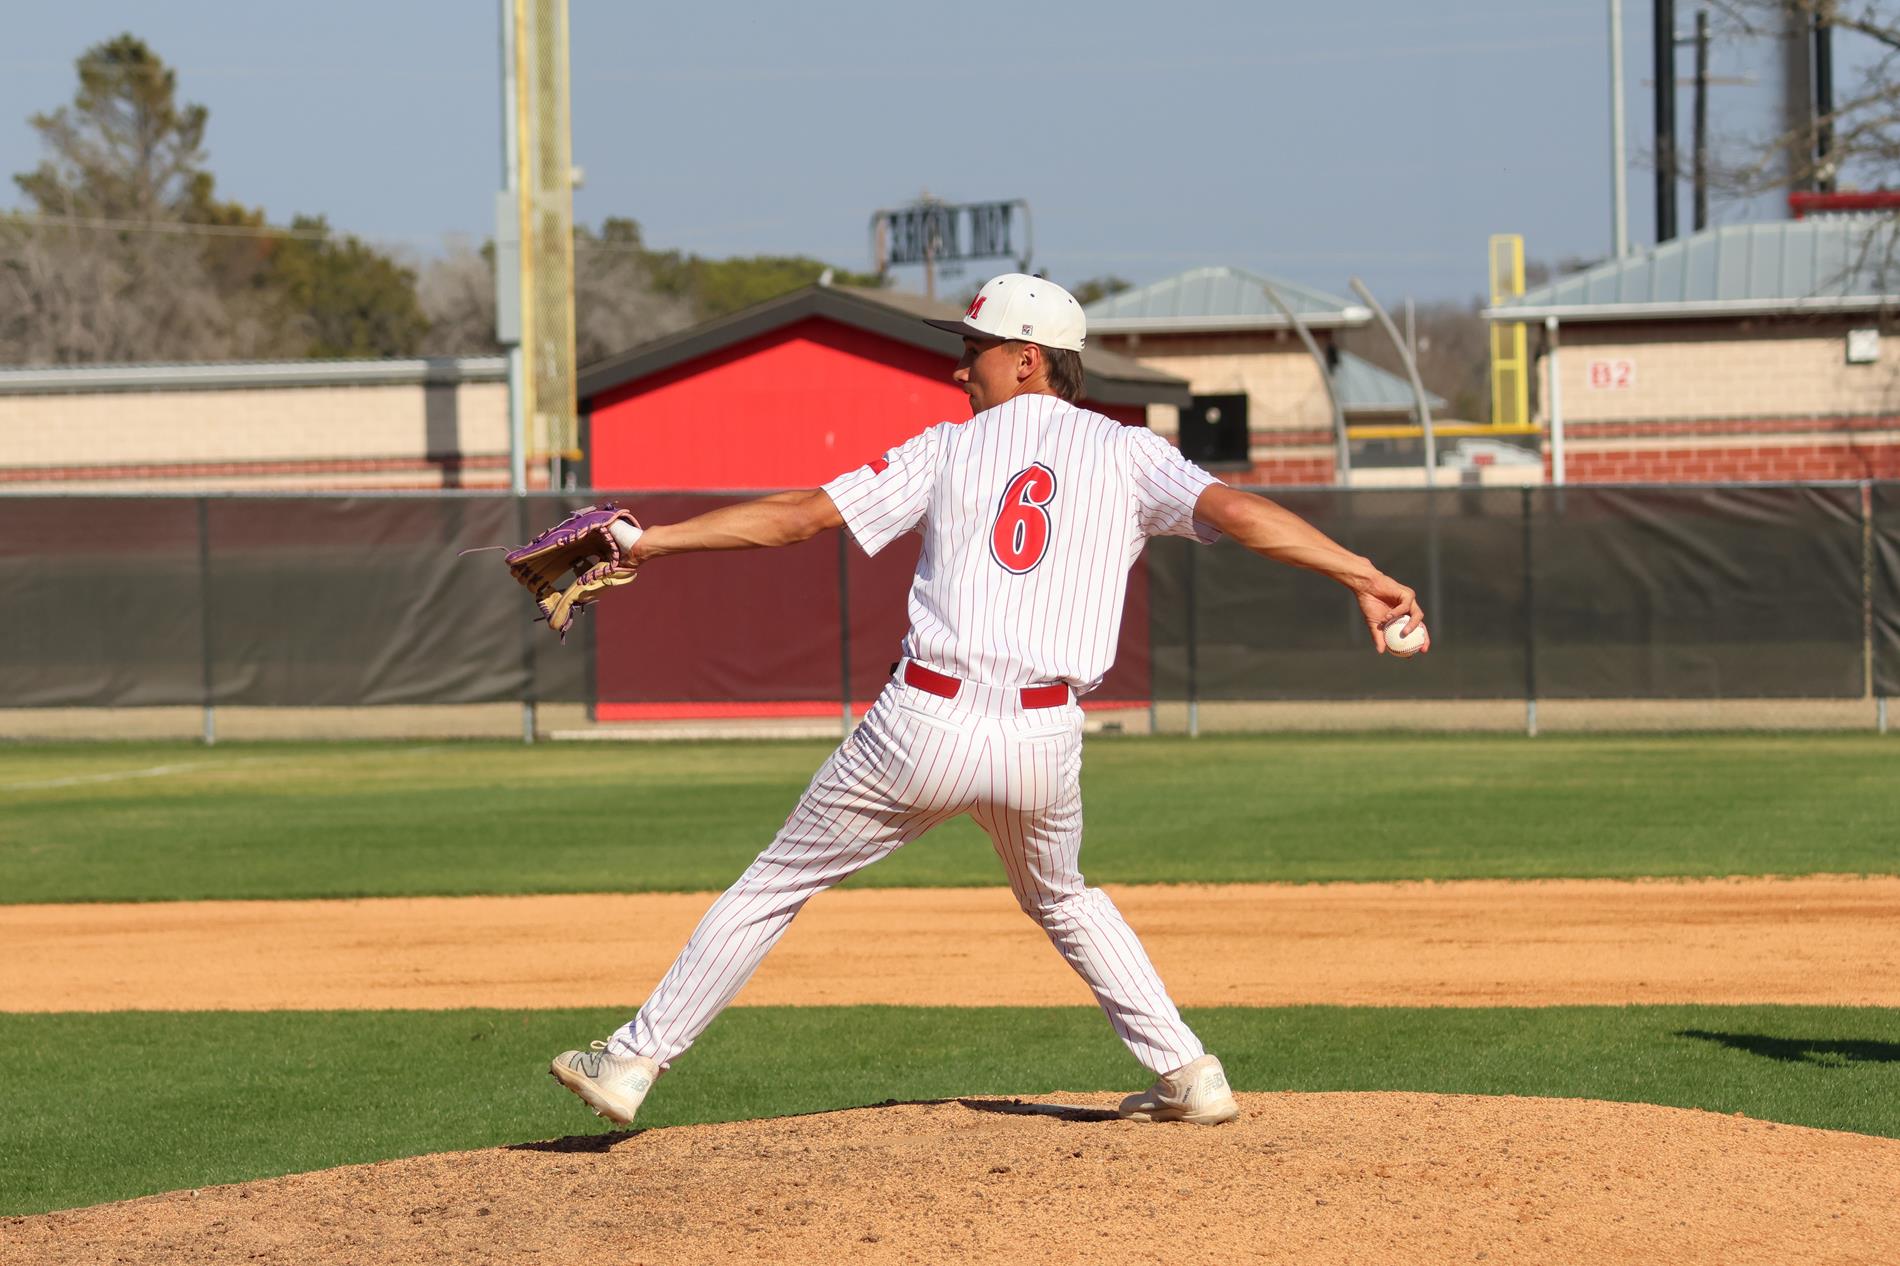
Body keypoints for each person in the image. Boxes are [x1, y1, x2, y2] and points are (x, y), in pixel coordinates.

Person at [550, 273, 1427, 1128]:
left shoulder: (945, 448)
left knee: (775, 883)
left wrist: (650, 542)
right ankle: (1189, 1074)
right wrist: (1364, 574)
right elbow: (1240, 513)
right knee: (1065, 899)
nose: (958, 367)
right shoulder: (1129, 452)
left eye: (975, 349)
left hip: (922, 724)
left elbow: (803, 517)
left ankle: (632, 1062)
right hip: (1044, 734)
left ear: (1028, 361)